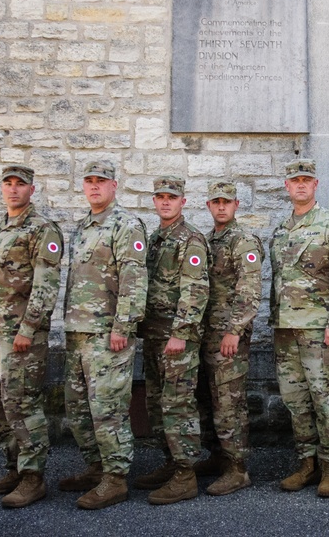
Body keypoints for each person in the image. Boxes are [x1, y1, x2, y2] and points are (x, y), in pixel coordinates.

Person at [60, 160, 149, 510]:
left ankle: (115, 479)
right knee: (79, 408)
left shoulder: (125, 225)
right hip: (78, 331)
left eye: (102, 181)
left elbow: (134, 278)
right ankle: (96, 467)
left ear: (115, 185)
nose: (95, 187)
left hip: (107, 334)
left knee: (108, 408)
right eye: (89, 181)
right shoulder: (82, 227)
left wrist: (123, 327)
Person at [271, 159, 329, 498]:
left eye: (307, 179)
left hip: (321, 331)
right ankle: (306, 464)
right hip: (286, 331)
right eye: (295, 180)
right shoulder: (281, 229)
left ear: (316, 184)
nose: (301, 185)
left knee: (326, 401)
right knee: (296, 402)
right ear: (287, 186)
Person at [0, 165, 63, 508]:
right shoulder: (3, 227)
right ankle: (13, 467)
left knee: (22, 404)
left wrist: (28, 328)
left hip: (22, 335)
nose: (13, 190)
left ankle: (33, 477)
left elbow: (46, 284)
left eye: (20, 185)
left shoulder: (42, 229)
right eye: (8, 184)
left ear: (32, 189)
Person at [134, 176, 210, 505]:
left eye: (172, 197)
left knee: (177, 404)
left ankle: (185, 474)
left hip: (176, 338)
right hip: (153, 334)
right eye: (160, 196)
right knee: (156, 403)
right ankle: (170, 462)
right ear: (154, 201)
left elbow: (195, 290)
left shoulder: (190, 238)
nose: (165, 202)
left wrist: (181, 332)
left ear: (183, 201)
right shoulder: (155, 239)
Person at [193, 180, 263, 495]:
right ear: (208, 205)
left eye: (227, 202)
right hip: (205, 335)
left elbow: (249, 290)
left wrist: (234, 330)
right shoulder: (206, 241)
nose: (221, 207)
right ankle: (218, 456)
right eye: (215, 202)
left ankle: (237, 468)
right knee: (208, 400)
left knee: (229, 402)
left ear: (236, 205)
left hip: (228, 338)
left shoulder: (243, 241)